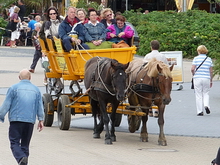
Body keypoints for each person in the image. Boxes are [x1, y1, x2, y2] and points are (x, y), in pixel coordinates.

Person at [0, 69, 44, 165]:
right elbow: (39, 106)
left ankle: (21, 158)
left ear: (19, 78)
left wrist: (1, 115)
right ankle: (23, 161)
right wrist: (41, 119)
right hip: (30, 121)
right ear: (30, 77)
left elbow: (6, 104)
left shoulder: (13, 88)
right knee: (25, 145)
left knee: (14, 142)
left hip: (16, 120)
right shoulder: (36, 90)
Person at [143, 40, 168, 117]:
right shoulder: (162, 56)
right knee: (160, 92)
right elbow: (166, 67)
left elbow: (144, 66)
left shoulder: (147, 56)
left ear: (151, 47)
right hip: (159, 77)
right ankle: (157, 110)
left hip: (149, 77)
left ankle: (150, 109)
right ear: (158, 47)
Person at [191, 45, 213, 116]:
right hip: (206, 78)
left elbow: (192, 68)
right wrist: (211, 80)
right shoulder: (209, 59)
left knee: (198, 94)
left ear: (199, 51)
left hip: (197, 78)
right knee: (206, 93)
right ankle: (206, 105)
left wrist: (194, 74)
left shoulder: (196, 59)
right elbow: (211, 71)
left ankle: (200, 111)